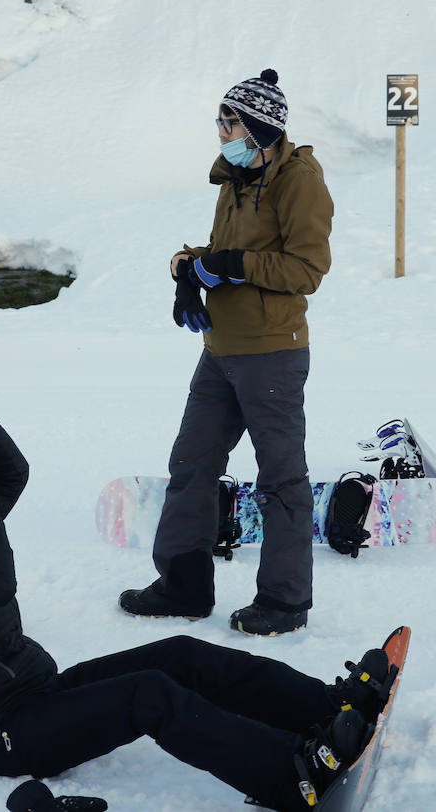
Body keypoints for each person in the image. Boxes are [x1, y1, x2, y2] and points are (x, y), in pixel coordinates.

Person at [0, 395, 396, 812]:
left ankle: (327, 710)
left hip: (38, 691)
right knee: (149, 695)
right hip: (2, 732)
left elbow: (11, 474)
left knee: (179, 655)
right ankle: (288, 776)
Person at [121, 69, 334, 636]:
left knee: (281, 479)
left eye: (230, 122)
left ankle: (285, 602)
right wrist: (189, 268)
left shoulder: (299, 180)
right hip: (221, 349)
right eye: (219, 121)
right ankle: (182, 585)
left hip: (271, 353)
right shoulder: (234, 179)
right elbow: (223, 250)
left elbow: (307, 269)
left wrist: (232, 267)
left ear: (261, 128)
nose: (221, 132)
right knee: (191, 465)